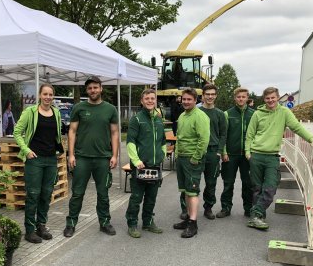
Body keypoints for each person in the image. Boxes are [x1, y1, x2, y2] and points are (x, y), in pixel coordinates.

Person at [245, 87, 313, 230]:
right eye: (267, 98)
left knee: (270, 187)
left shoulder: (284, 112)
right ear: (264, 99)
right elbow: (250, 134)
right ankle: (258, 216)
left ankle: (255, 213)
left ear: (278, 98)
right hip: (256, 155)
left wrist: (311, 139)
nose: (270, 100)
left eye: (273, 97)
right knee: (257, 188)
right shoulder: (257, 114)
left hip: (272, 156)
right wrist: (248, 152)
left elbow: (296, 127)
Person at [63, 76, 119, 238]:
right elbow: (72, 131)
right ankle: (71, 223)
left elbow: (115, 133)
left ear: (101, 88)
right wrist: (71, 154)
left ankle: (105, 222)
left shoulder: (110, 109)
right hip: (82, 158)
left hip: (103, 158)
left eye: (95, 87)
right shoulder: (79, 108)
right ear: (87, 91)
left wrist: (114, 155)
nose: (93, 90)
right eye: (90, 88)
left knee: (103, 193)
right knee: (77, 193)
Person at [14, 83, 63, 243]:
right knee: (33, 195)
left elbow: (57, 134)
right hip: (34, 159)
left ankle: (41, 226)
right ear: (40, 95)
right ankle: (29, 230)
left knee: (46, 194)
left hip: (50, 159)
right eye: (45, 94)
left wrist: (58, 150)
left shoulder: (56, 113)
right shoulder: (30, 112)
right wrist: (26, 150)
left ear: (53, 96)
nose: (48, 97)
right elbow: (17, 132)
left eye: (50, 94)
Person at [125, 89, 166, 238]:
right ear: (142, 101)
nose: (150, 101)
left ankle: (148, 222)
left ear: (155, 101)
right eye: (147, 98)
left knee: (151, 197)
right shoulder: (136, 119)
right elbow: (130, 142)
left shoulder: (159, 120)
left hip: (155, 166)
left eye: (152, 98)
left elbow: (162, 141)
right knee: (136, 197)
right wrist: (136, 161)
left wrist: (162, 155)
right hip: (140, 166)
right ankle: (132, 223)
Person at [173, 88, 210, 238]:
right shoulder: (182, 115)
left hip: (192, 159)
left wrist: (195, 157)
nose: (186, 102)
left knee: (193, 191)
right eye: (184, 99)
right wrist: (176, 154)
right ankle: (188, 218)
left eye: (189, 99)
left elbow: (204, 139)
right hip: (182, 158)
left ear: (196, 100)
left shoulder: (200, 116)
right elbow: (180, 138)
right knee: (186, 191)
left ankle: (193, 224)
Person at [216, 87, 255, 218]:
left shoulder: (254, 114)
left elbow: (256, 134)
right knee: (228, 183)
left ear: (247, 98)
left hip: (247, 155)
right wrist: (224, 152)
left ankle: (248, 208)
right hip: (230, 155)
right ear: (235, 98)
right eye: (238, 97)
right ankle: (226, 207)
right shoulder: (228, 113)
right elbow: (223, 134)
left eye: (243, 97)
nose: (241, 99)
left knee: (248, 183)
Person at [197, 84, 227, 220]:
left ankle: (208, 208)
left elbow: (223, 135)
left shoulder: (220, 114)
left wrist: (219, 151)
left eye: (212, 94)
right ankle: (186, 208)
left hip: (213, 152)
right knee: (192, 181)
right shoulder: (196, 112)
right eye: (207, 94)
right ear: (203, 95)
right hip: (197, 151)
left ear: (215, 96)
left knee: (211, 183)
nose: (210, 97)